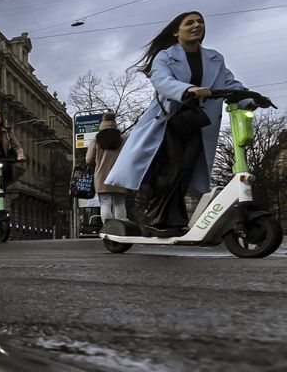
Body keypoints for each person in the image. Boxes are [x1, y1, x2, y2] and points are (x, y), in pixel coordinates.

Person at [106, 12, 254, 235]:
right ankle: (158, 218)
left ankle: (174, 221)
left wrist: (250, 98)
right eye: (190, 22)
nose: (197, 25)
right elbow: (161, 80)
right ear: (177, 31)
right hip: (168, 122)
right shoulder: (165, 56)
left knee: (186, 170)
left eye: (200, 22)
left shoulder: (215, 58)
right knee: (171, 168)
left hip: (196, 122)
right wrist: (188, 89)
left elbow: (230, 82)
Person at [87, 112, 129, 225]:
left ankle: (110, 229)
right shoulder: (123, 139)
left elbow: (88, 159)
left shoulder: (96, 141)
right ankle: (121, 229)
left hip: (101, 177)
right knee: (119, 203)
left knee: (105, 203)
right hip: (120, 176)